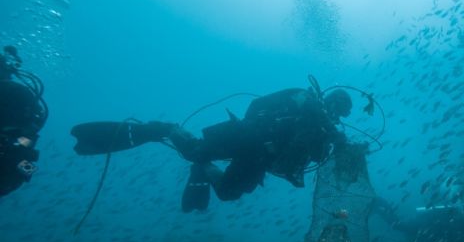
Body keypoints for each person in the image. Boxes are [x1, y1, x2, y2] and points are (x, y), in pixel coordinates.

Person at [70, 86, 353, 212]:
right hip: (247, 135)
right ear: (329, 98)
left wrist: (341, 147)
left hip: (261, 159)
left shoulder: (326, 132)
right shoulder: (303, 98)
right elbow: (259, 106)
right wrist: (332, 132)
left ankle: (201, 169)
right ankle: (166, 129)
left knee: (229, 193)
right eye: (337, 105)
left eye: (342, 112)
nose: (336, 113)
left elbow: (310, 159)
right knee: (194, 150)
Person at [0, 45, 48, 197]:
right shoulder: (21, 91)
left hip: (11, 159)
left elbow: (34, 126)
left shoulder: (19, 92)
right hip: (12, 162)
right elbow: (36, 123)